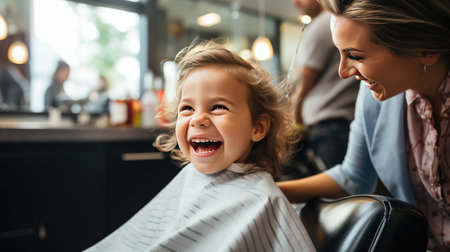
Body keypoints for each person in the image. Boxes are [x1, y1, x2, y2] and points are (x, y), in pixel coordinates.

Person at [84, 41, 315, 252]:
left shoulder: (264, 201)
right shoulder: (189, 177)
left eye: (217, 107)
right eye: (187, 108)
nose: (197, 119)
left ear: (257, 127)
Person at [277, 0, 450, 251]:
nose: (343, 72)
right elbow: (352, 177)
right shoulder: (373, 97)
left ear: (425, 49)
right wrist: (267, 189)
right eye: (340, 53)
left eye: (355, 56)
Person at [287, 0, 359, 177]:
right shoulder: (337, 21)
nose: (295, 3)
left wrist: (294, 118)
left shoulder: (323, 24)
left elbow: (307, 79)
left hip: (327, 124)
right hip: (339, 122)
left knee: (335, 193)